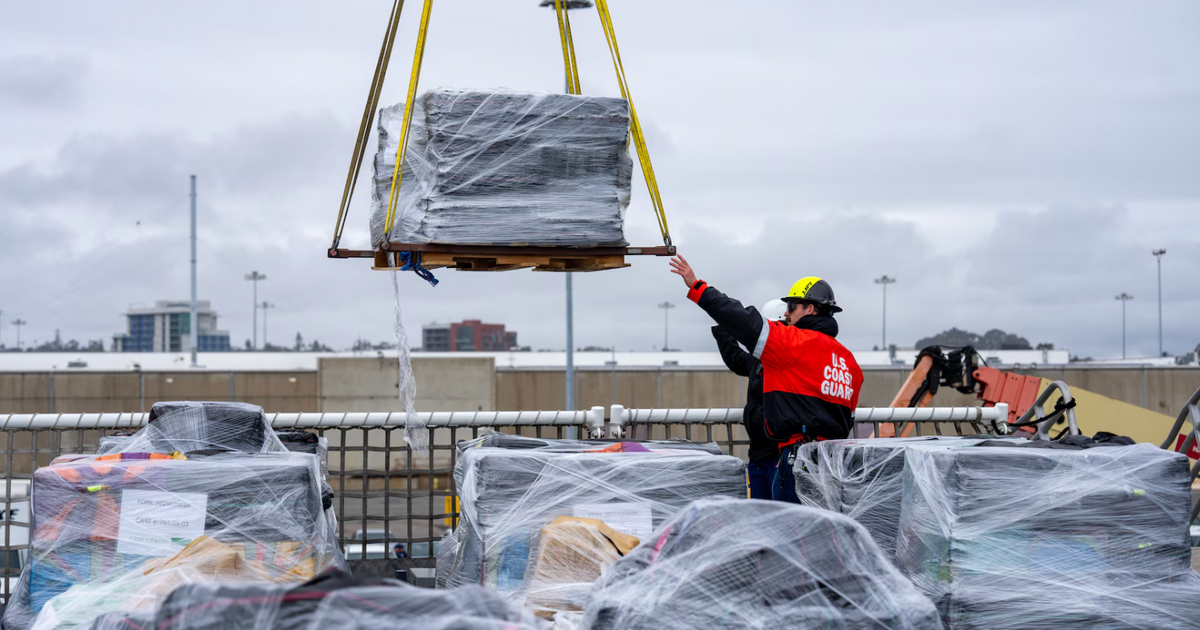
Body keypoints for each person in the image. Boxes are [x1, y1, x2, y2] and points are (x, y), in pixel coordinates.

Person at [670, 255, 863, 503]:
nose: (787, 313)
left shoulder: (793, 344)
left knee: (784, 536)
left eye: (792, 306)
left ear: (810, 309)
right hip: (833, 466)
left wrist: (698, 287)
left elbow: (742, 319)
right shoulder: (849, 362)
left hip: (798, 462)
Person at [711, 299, 787, 499]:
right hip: (759, 454)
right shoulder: (758, 360)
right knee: (761, 514)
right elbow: (736, 359)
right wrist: (724, 328)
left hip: (780, 454)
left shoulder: (789, 361)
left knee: (780, 515)